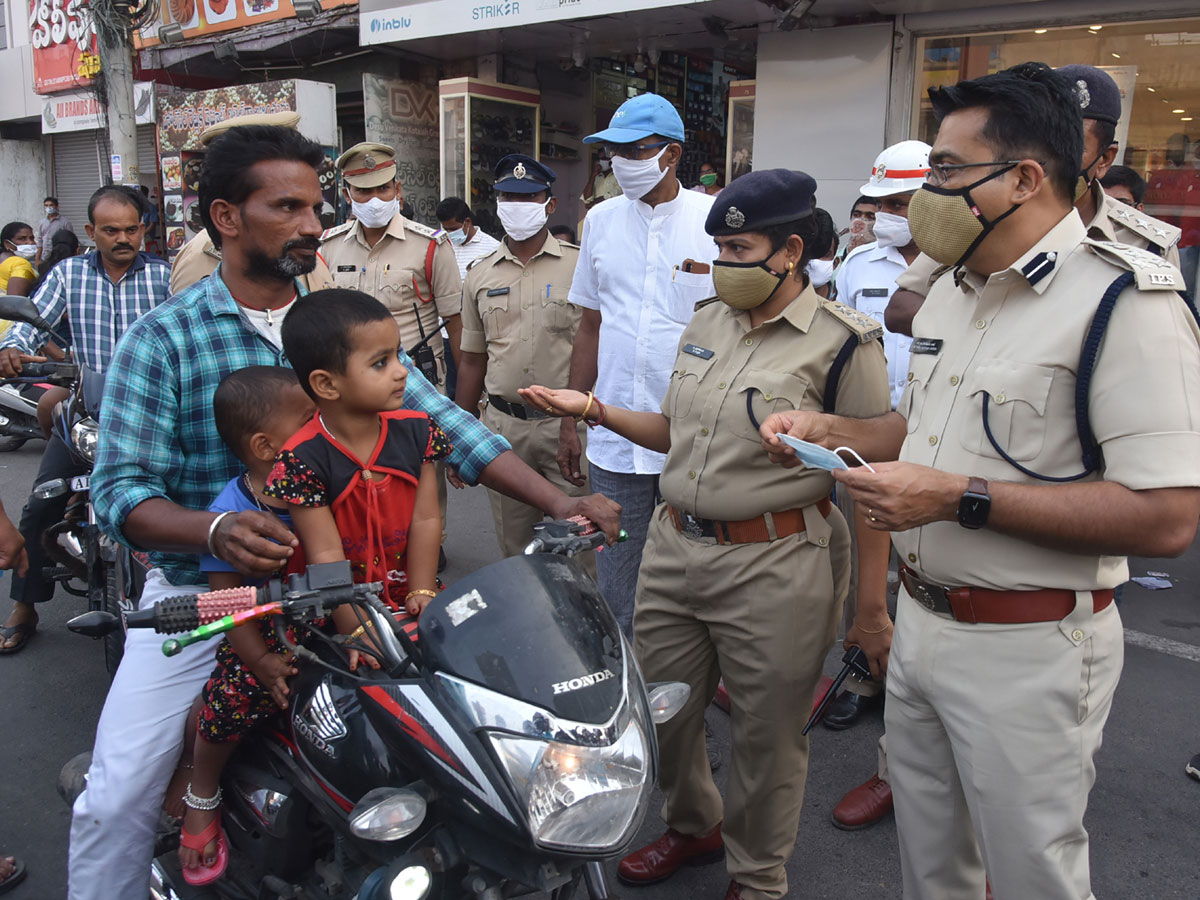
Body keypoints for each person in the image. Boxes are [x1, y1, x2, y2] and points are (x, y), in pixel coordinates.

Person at [69, 123, 618, 900]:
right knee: (118, 792)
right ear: (226, 217)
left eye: (313, 205)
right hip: (216, 597)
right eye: (287, 207)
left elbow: (452, 430)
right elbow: (119, 491)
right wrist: (217, 528)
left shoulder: (343, 325)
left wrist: (564, 501)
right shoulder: (163, 340)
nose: (309, 224)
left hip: (368, 595)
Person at [767, 61, 1200, 900]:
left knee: (1032, 874)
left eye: (944, 171)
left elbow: (1168, 518)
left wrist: (957, 499)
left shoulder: (1126, 304)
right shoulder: (955, 289)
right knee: (932, 870)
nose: (923, 192)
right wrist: (834, 431)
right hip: (923, 623)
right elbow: (920, 430)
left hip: (1030, 646)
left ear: (1024, 178)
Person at [523, 168, 894, 900]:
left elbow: (873, 459)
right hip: (673, 546)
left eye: (739, 248)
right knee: (663, 711)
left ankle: (757, 876)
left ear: (789, 251)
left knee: (766, 735)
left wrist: (870, 606)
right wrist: (592, 408)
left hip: (777, 559)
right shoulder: (707, 320)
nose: (723, 262)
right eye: (717, 247)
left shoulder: (846, 342)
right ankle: (694, 824)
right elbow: (675, 431)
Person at [564, 91, 716, 635]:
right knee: (617, 580)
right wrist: (570, 421)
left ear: (671, 155)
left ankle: (686, 696)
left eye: (635, 151)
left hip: (693, 437)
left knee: (694, 577)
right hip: (615, 437)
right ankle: (630, 693)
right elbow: (591, 325)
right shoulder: (600, 221)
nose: (621, 164)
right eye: (613, 153)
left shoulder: (714, 221)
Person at [0, 185, 170, 655]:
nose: (122, 238)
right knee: (40, 506)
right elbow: (28, 323)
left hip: (152, 416)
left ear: (144, 229)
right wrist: (11, 348)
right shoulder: (68, 275)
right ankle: (26, 607)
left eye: (131, 229)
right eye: (110, 230)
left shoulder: (165, 278)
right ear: (91, 232)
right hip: (89, 415)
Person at [173, 366, 316, 884]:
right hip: (263, 633)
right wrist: (257, 657)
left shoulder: (322, 488)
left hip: (330, 624)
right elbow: (227, 604)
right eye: (309, 420)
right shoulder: (232, 510)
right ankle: (202, 789)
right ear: (265, 446)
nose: (323, 427)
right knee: (232, 696)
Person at [823, 140, 930, 731]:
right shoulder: (859, 266)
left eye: (899, 201)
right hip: (866, 433)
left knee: (925, 565)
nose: (885, 213)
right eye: (879, 201)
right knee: (862, 565)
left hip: (933, 438)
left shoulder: (961, 271)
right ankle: (862, 673)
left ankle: (916, 686)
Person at [455, 155, 592, 562]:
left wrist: (574, 421)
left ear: (549, 205)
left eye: (528, 196)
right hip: (504, 429)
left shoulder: (579, 264)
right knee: (517, 550)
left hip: (565, 428)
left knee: (577, 545)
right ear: (496, 204)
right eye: (507, 197)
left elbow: (594, 342)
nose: (517, 205)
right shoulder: (480, 274)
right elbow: (472, 360)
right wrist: (461, 435)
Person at [169, 111, 336, 295]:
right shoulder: (202, 255)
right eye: (289, 207)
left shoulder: (303, 250)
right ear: (226, 217)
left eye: (316, 210)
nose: (315, 229)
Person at [1060, 65, 1181, 266]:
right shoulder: (999, 227)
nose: (1046, 161)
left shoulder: (1148, 246)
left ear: (1105, 159)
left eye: (1071, 147)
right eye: (1038, 145)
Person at [435, 195, 501, 281]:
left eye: (454, 229)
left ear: (467, 222)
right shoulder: (443, 245)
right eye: (446, 229)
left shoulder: (493, 248)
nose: (449, 233)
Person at [0, 221, 37, 297]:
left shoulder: (3, 260)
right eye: (22, 239)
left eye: (32, 238)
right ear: (7, 243)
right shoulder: (20, 264)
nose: (30, 242)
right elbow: (15, 303)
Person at [37, 195, 75, 268]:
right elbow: (40, 240)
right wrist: (37, 258)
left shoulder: (65, 222)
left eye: (51, 205)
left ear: (57, 207)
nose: (49, 208)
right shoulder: (42, 222)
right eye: (46, 205)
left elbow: (71, 240)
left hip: (59, 257)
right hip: (45, 256)